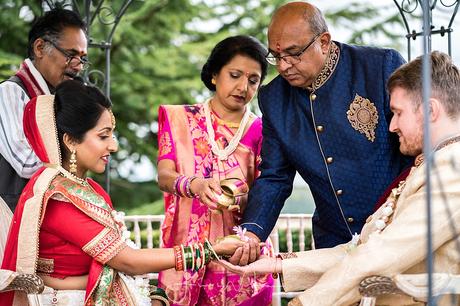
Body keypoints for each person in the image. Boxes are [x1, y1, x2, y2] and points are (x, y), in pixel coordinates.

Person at [221, 51, 460, 306]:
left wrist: (304, 303)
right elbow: (359, 249)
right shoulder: (433, 165)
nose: (392, 126)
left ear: (430, 110)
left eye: (398, 113)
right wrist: (278, 265)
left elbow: (380, 256)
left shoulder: (452, 172)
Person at [0, 80, 243, 306]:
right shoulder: (58, 198)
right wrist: (210, 250)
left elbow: (118, 262)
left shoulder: (86, 188)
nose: (113, 145)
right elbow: (128, 260)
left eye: (112, 135)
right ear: (71, 141)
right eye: (103, 136)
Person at [237, 1, 412, 253]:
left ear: (324, 42)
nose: (283, 66)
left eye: (293, 53)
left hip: (397, 231)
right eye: (276, 56)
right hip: (333, 242)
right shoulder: (274, 99)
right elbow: (274, 177)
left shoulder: (379, 67)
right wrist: (251, 232)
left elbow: (419, 146)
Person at [156, 35, 274, 305]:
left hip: (240, 254)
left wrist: (237, 196)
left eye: (253, 80)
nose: (243, 87)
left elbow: (268, 189)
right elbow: (164, 176)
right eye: (234, 75)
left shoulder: (262, 130)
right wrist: (196, 185)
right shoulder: (179, 119)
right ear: (213, 75)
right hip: (187, 252)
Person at [0, 8, 88, 210]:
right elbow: (27, 165)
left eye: (82, 58)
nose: (78, 66)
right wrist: (81, 148)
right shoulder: (10, 93)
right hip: (10, 221)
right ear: (40, 48)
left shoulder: (56, 98)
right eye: (71, 55)